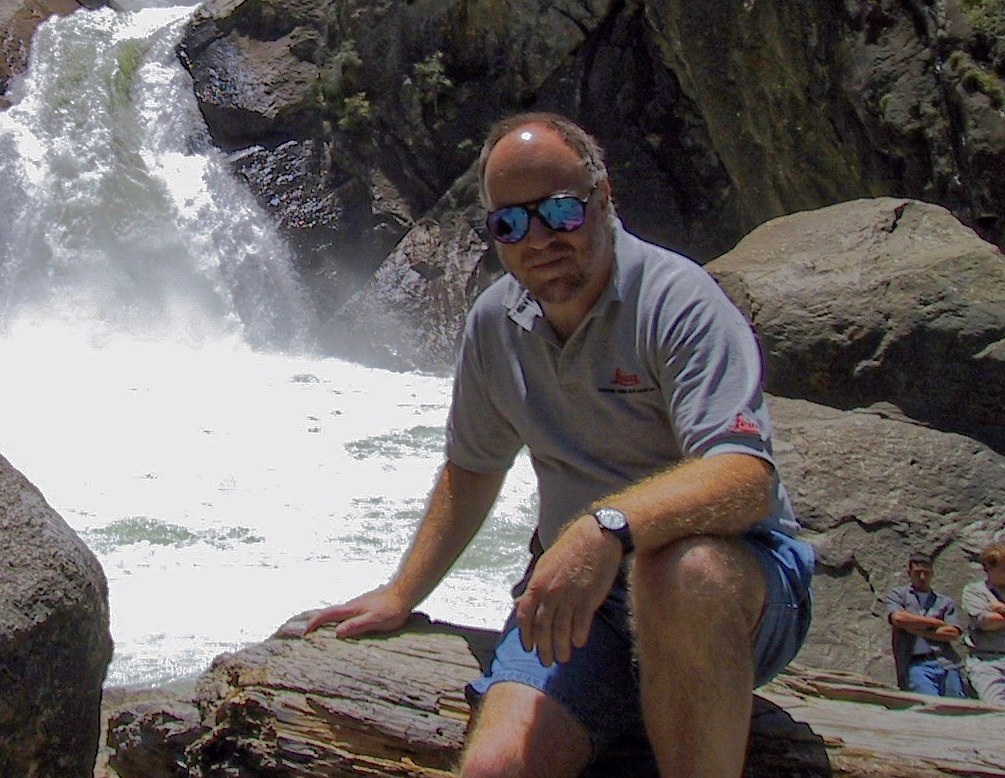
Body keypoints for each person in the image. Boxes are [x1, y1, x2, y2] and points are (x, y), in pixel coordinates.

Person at [303, 112, 814, 778]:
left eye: (560, 212)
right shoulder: (495, 322)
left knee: (680, 574)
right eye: (510, 223)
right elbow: (472, 468)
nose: (538, 239)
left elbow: (745, 477)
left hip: (735, 587)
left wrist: (605, 531)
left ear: (603, 200)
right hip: (588, 608)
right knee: (494, 770)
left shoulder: (677, 301)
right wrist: (402, 592)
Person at [884, 553, 965, 696]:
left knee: (957, 706)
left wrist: (918, 630)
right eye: (917, 573)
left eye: (926, 573)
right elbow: (898, 618)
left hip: (946, 662)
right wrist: (935, 623)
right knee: (928, 703)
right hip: (915, 663)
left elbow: (953, 633)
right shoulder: (899, 595)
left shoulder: (944, 602)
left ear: (932, 574)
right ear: (909, 573)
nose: (922, 577)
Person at [961, 538, 1005, 707]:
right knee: (996, 708)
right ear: (989, 568)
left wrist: (1001, 609)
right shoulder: (975, 591)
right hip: (988, 661)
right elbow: (985, 622)